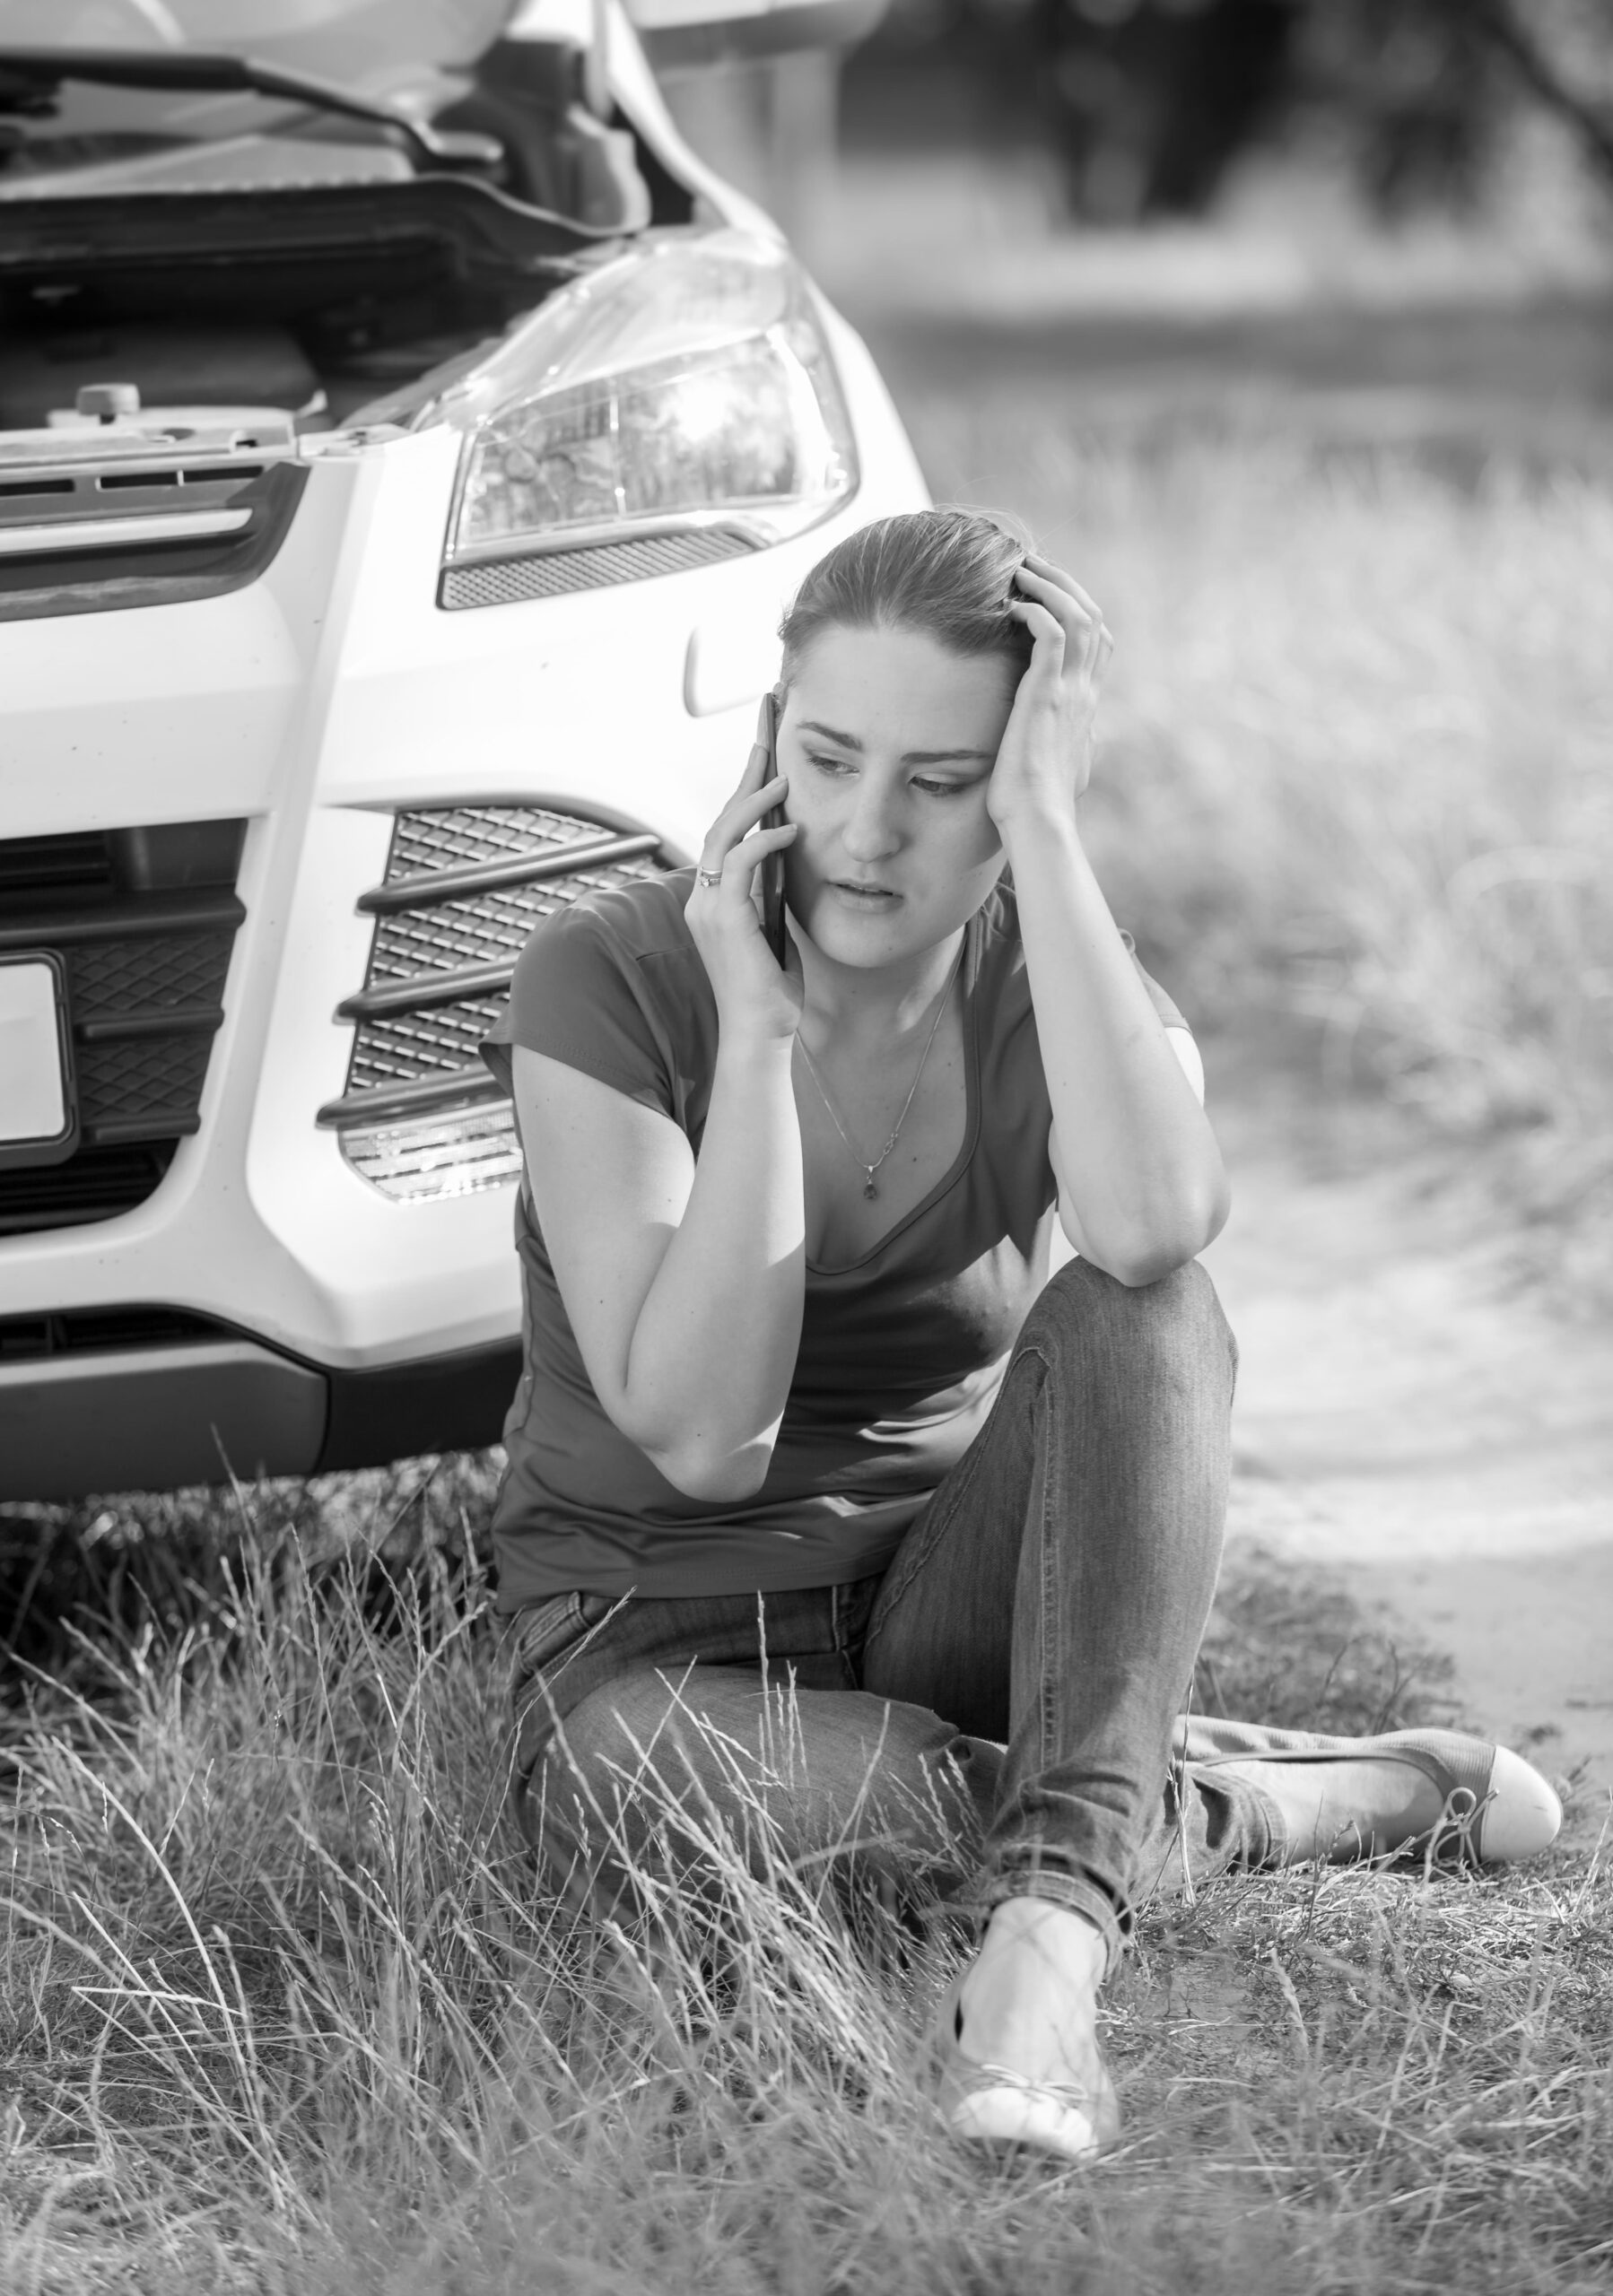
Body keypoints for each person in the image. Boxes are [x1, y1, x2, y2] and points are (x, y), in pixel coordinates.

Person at [480, 509, 1562, 2164]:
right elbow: (703, 1438)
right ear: (766, 747)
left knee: (1145, 1303)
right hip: (644, 1666)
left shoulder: (1049, 977)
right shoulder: (606, 986)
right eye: (829, 758)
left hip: (947, 1602)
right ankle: (1244, 1796)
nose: (862, 830)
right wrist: (756, 1044)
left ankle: (1048, 1941)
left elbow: (1147, 1238)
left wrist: (1048, 840)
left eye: (946, 780)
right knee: (878, 1798)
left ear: (1017, 781)